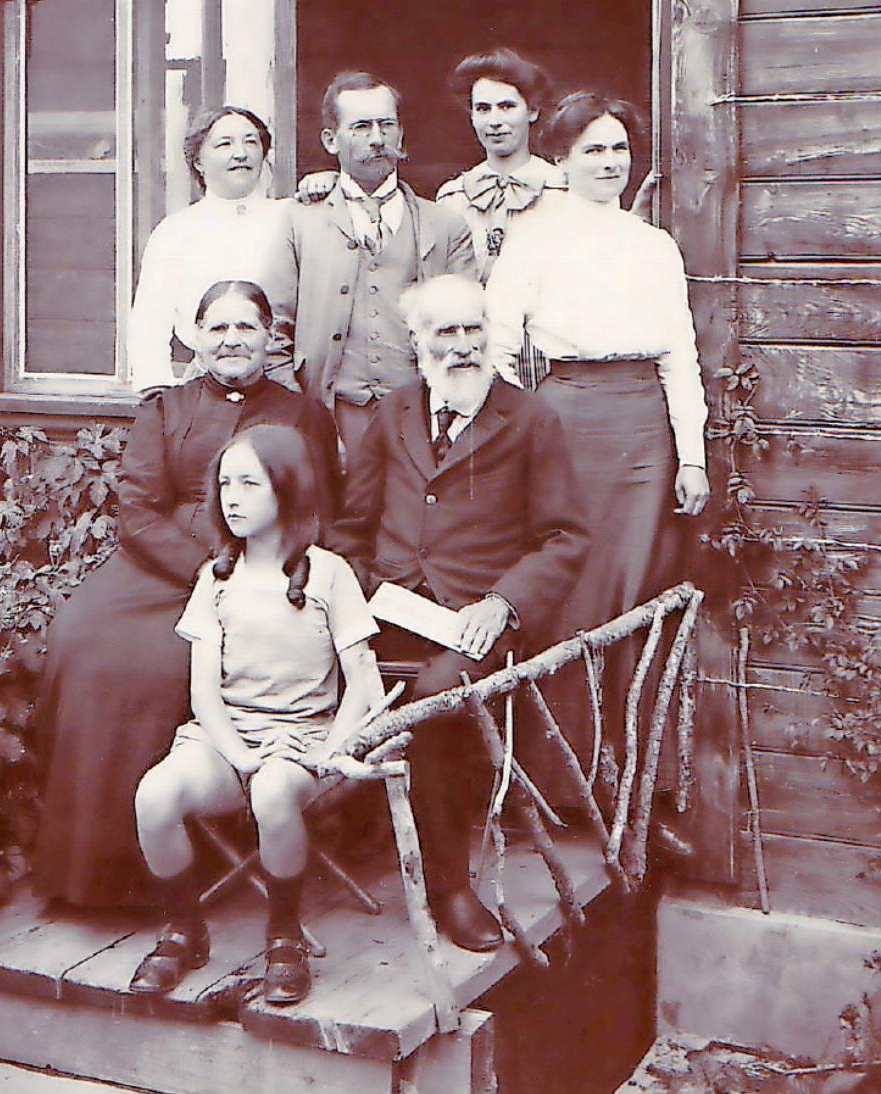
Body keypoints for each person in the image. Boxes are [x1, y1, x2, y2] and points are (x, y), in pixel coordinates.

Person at [33, 281, 340, 909]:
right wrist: (204, 563)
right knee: (80, 642)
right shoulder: (165, 409)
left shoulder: (302, 413)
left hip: (255, 568)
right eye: (218, 328)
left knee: (158, 666)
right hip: (156, 564)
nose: (232, 341)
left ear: (271, 338)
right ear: (195, 337)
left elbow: (317, 509)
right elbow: (138, 510)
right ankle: (82, 869)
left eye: (246, 328)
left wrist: (250, 566)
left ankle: (165, 871)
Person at [331, 275, 586, 952]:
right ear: (418, 344)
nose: (465, 345)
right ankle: (305, 855)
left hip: (479, 622)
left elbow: (565, 539)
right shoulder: (394, 412)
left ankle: (449, 885)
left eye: (475, 328)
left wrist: (504, 603)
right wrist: (353, 595)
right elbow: (353, 526)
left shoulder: (530, 419)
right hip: (389, 607)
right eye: (446, 332)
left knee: (437, 698)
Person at [485, 91, 709, 767]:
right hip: (567, 420)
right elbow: (499, 347)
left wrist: (690, 458)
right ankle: (560, 776)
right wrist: (518, 434)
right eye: (593, 150)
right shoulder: (533, 240)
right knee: (572, 588)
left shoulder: (654, 246)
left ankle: (633, 773)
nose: (610, 162)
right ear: (561, 158)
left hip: (644, 432)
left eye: (619, 148)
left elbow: (679, 354)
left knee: (637, 587)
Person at [129, 424, 383, 1001]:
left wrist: (330, 752)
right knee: (155, 794)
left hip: (306, 742)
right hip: (226, 739)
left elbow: (363, 683)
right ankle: (183, 931)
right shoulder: (216, 580)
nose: (232, 497)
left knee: (272, 791)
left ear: (288, 489)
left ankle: (284, 936)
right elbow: (203, 694)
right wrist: (239, 755)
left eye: (250, 482)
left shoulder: (329, 574)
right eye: (224, 483)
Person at [266, 71, 476, 451]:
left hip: (422, 420)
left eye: (387, 125)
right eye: (361, 127)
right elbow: (272, 331)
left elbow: (469, 333)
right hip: (330, 417)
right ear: (331, 140)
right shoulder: (299, 221)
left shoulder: (446, 226)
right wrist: (301, 416)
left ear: (401, 135)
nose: (377, 139)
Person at [128, 106, 290, 394]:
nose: (241, 153)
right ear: (198, 162)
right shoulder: (175, 231)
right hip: (204, 388)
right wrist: (157, 392)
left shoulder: (291, 218)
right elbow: (150, 322)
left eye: (251, 142)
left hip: (281, 383)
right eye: (225, 144)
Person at [435, 48, 565, 287]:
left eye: (507, 107)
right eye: (483, 109)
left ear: (532, 111)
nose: (494, 121)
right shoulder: (453, 197)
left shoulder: (562, 190)